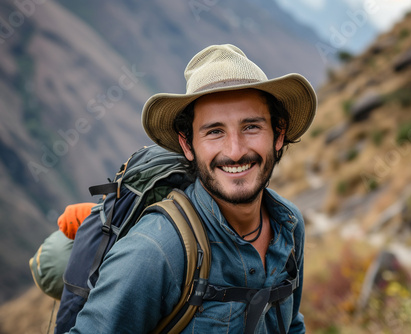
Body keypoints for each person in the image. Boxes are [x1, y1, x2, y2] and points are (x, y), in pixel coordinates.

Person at [69, 44, 317, 333]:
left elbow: (291, 324)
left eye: (251, 127)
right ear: (188, 144)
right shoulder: (156, 251)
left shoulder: (288, 223)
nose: (235, 151)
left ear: (279, 133)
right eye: (214, 132)